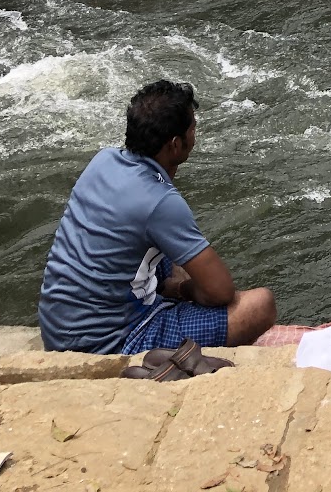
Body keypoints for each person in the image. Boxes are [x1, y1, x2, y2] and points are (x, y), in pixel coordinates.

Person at [38, 79, 276, 355]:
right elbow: (221, 292)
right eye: (193, 129)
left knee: (173, 255)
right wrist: (185, 290)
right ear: (176, 144)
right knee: (259, 305)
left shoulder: (103, 160)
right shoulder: (160, 201)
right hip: (110, 342)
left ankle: (166, 293)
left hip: (59, 330)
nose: (195, 134)